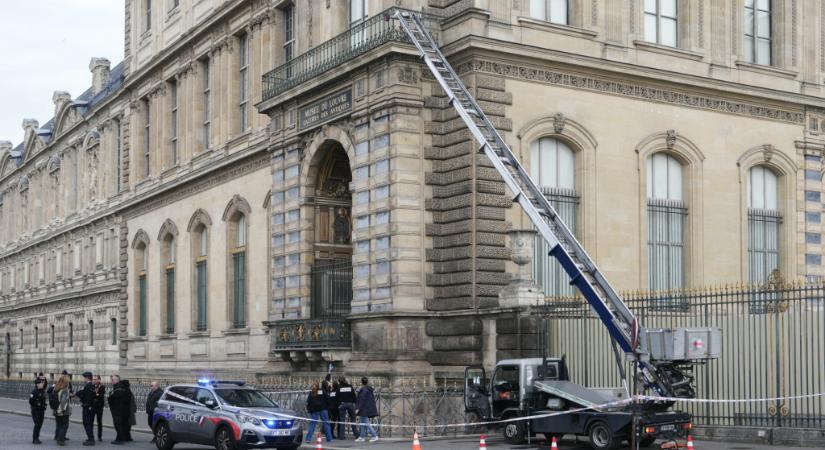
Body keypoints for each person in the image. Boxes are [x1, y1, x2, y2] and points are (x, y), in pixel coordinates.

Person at [355, 377, 378, 443]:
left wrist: (358, 408)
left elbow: (362, 400)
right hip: (365, 408)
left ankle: (374, 435)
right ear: (367, 382)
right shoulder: (367, 389)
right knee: (362, 423)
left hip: (364, 409)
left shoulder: (364, 390)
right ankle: (362, 436)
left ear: (361, 382)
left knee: (366, 423)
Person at [108, 375, 130, 445]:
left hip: (118, 410)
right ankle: (119, 438)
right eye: (112, 380)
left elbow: (118, 398)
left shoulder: (119, 388)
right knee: (121, 424)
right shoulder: (122, 387)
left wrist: (111, 397)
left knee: (118, 424)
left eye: (113, 380)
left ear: (117, 380)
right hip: (123, 409)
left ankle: (121, 439)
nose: (112, 381)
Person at [78, 371, 96, 446]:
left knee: (87, 423)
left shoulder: (88, 386)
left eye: (84, 378)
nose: (84, 379)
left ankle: (91, 439)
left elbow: (86, 396)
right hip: (90, 407)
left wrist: (79, 396)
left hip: (87, 407)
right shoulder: (91, 385)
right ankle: (90, 438)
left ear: (87, 378)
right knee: (89, 423)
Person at [53, 374, 72, 446]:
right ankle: (60, 440)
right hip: (63, 411)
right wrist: (61, 410)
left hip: (56, 409)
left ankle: (57, 436)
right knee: (64, 425)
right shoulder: (64, 390)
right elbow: (63, 401)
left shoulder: (56, 388)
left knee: (59, 425)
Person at [29, 376, 47, 444]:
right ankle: (35, 439)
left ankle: (37, 437)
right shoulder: (34, 392)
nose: (42, 384)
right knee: (37, 425)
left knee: (40, 424)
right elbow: (30, 401)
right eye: (41, 383)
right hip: (36, 410)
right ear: (37, 384)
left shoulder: (42, 391)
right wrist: (37, 404)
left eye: (42, 383)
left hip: (41, 410)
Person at [92, 375, 106, 442]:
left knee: (99, 422)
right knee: (90, 421)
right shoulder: (92, 386)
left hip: (99, 407)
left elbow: (100, 395)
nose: (94, 380)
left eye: (96, 379)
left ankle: (99, 436)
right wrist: (96, 395)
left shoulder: (102, 387)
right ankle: (91, 436)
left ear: (99, 380)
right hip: (93, 406)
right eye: (93, 379)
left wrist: (95, 395)